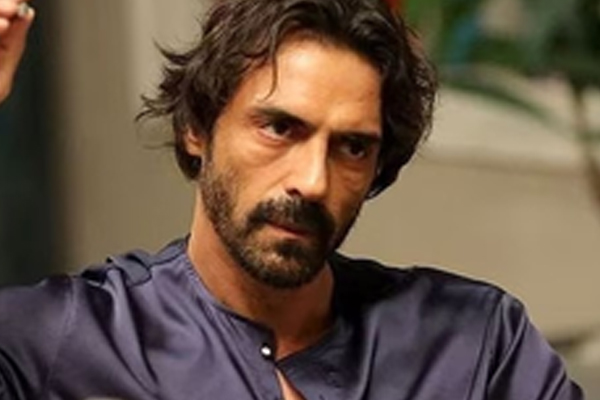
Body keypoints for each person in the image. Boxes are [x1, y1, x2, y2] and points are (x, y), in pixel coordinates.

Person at [0, 0, 584, 399]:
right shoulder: (63, 340)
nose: (313, 181)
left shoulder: (474, 342)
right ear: (198, 127)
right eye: (279, 128)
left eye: (352, 147)